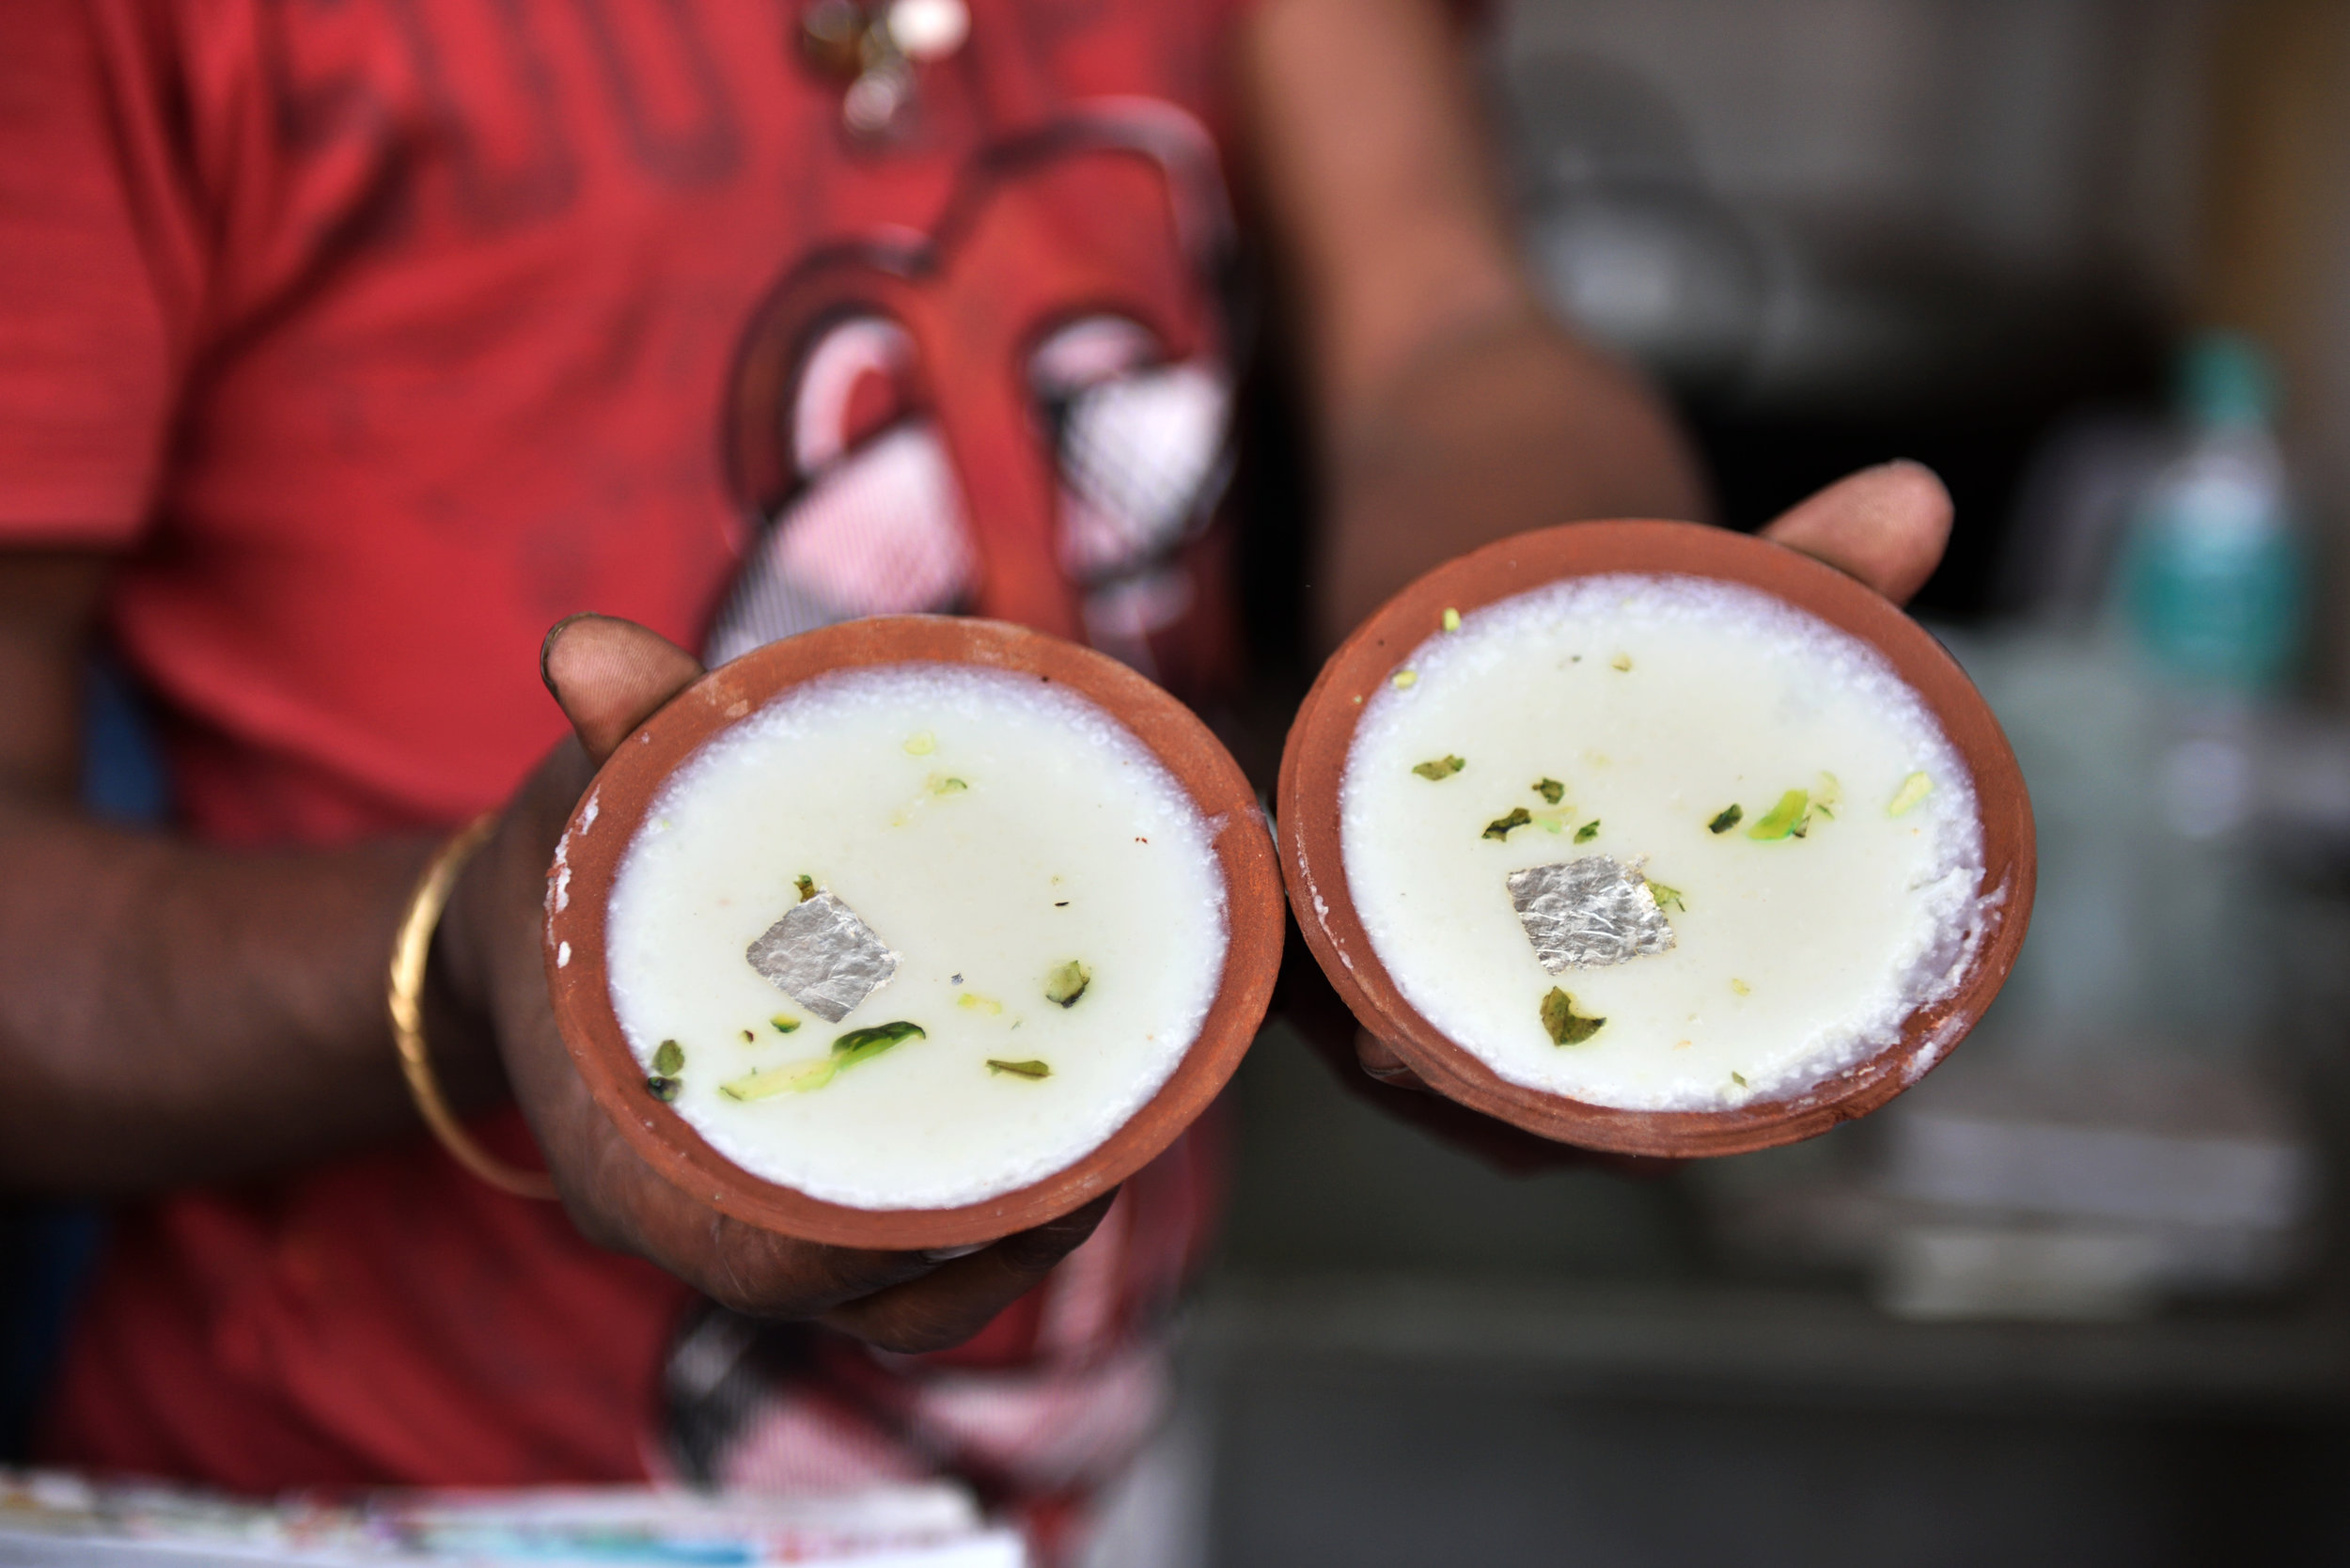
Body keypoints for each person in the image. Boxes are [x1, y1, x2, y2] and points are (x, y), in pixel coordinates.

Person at [0, 0, 1950, 1546]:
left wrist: (1560, 694)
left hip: (1072, 1482)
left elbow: (1442, 327)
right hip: (339, 1503)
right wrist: (491, 944)